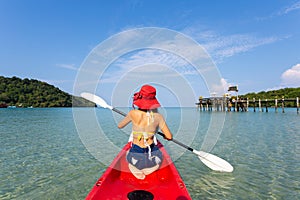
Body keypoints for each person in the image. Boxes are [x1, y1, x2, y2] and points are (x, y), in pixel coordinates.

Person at [118, 84, 173, 179]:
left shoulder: (132, 113)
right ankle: (151, 168)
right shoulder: (158, 117)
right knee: (159, 158)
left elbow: (120, 126)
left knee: (127, 154)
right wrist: (165, 136)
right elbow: (169, 137)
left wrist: (130, 118)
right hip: (151, 157)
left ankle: (136, 168)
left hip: (136, 156)